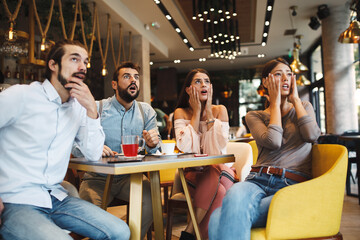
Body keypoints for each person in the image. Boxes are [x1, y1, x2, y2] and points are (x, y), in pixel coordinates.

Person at [0, 39, 130, 240]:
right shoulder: (21, 96)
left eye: (85, 62)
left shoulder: (79, 107)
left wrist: (92, 111)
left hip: (55, 198)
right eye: (74, 59)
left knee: (121, 231)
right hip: (16, 200)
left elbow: (94, 153)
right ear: (53, 64)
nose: (82, 67)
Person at [208, 58, 321, 239]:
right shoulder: (254, 116)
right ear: (266, 82)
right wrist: (275, 104)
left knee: (216, 217)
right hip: (257, 179)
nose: (285, 78)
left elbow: (312, 135)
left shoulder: (304, 107)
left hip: (290, 183)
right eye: (278, 74)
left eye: (289, 74)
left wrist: (296, 100)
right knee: (235, 193)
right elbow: (273, 140)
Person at [75, 61, 160, 240]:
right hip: (96, 178)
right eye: (127, 76)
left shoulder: (146, 112)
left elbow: (154, 152)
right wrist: (93, 147)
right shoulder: (97, 108)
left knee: (152, 199)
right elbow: (75, 145)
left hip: (131, 177)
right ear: (114, 84)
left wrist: (153, 145)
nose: (133, 81)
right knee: (88, 219)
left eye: (136, 77)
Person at [173, 68, 238, 240]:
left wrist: (208, 111)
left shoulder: (220, 110)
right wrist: (195, 114)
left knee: (214, 168)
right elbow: (185, 148)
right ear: (188, 89)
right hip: (194, 173)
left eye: (207, 81)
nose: (203, 84)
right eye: (198, 81)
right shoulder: (181, 113)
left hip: (221, 169)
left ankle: (189, 232)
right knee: (221, 191)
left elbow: (217, 150)